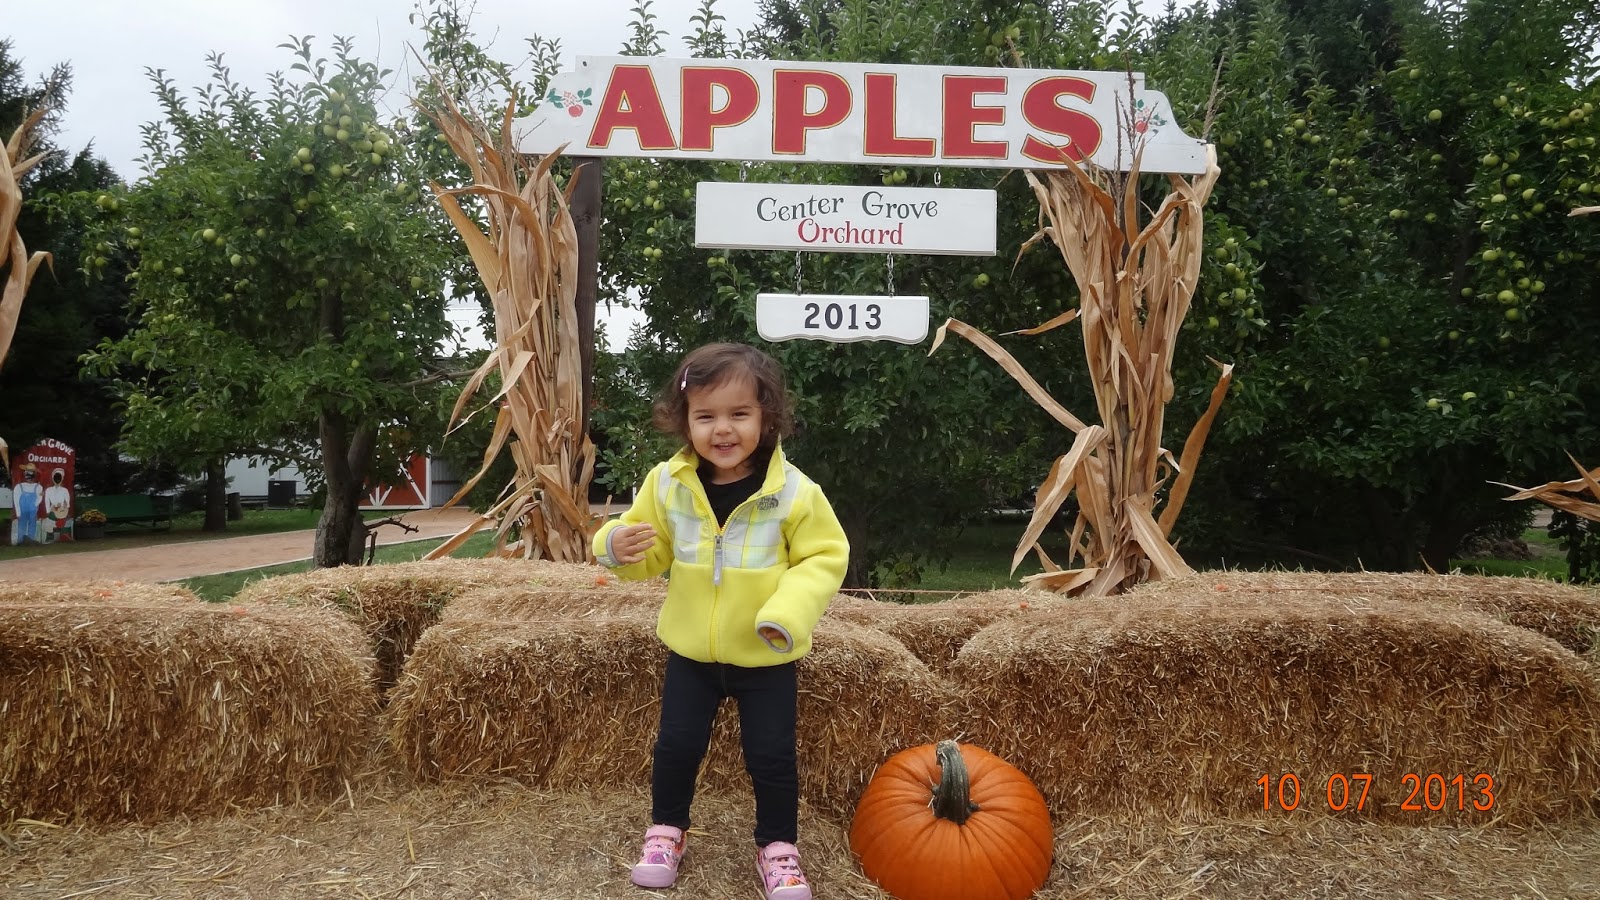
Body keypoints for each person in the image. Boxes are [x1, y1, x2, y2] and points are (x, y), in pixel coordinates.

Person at [592, 342, 848, 900]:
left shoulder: (794, 493)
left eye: (739, 414)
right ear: (684, 422)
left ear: (767, 418)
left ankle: (778, 849)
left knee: (772, 755)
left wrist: (786, 614)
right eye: (706, 416)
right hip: (691, 654)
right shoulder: (667, 484)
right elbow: (650, 554)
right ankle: (665, 833)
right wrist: (614, 545)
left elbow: (825, 557)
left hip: (766, 653)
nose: (722, 430)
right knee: (677, 746)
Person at [12, 464, 43, 545]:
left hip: (33, 510)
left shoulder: (38, 486)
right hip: (22, 510)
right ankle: (21, 542)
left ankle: (31, 540)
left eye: (31, 473)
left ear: (34, 474)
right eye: (27, 473)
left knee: (32, 525)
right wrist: (18, 512)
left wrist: (34, 505)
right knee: (22, 525)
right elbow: (16, 500)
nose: (28, 475)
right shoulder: (19, 487)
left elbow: (40, 498)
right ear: (25, 474)